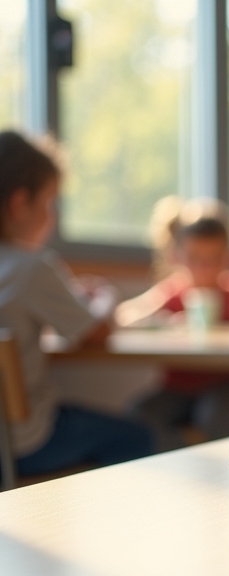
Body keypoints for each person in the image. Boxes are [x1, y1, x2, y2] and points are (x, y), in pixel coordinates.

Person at [0, 130, 152, 475]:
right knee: (137, 437)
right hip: (21, 443)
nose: (51, 217)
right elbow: (95, 333)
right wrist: (105, 297)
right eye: (49, 203)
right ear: (19, 203)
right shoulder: (31, 267)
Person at [116, 198, 229, 450]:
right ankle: (183, 464)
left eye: (212, 259)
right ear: (177, 257)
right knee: (138, 416)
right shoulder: (171, 293)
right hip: (179, 389)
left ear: (228, 257)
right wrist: (165, 323)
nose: (203, 268)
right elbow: (124, 316)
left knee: (218, 418)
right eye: (194, 258)